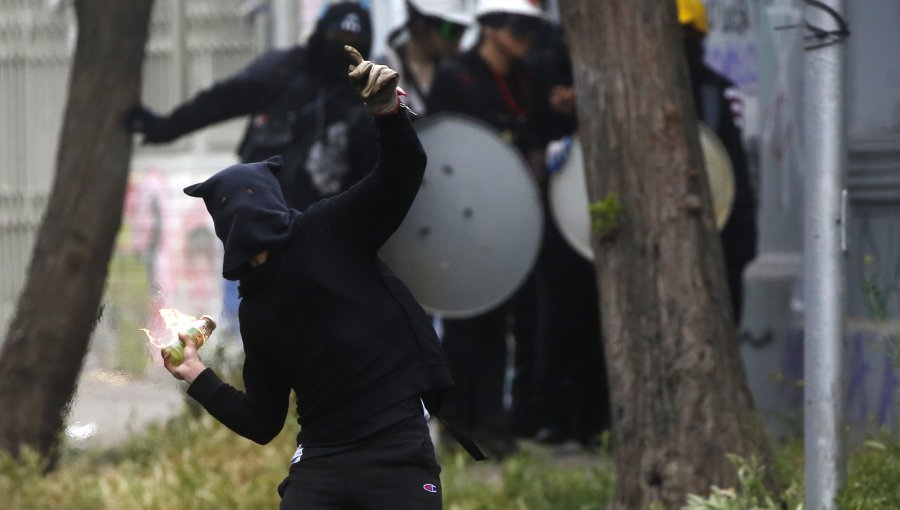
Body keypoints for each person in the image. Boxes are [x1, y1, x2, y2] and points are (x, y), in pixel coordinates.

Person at [162, 46, 455, 510]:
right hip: (321, 457)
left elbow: (399, 176)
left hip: (395, 446)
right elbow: (262, 421)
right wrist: (196, 375)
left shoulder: (326, 229)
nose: (259, 256)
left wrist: (388, 114)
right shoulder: (256, 308)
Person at [426, 0, 552, 458]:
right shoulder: (456, 77)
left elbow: (533, 138)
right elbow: (444, 150)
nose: (526, 38)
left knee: (501, 325)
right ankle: (461, 423)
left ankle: (493, 421)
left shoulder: (525, 78)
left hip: (510, 219)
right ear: (490, 27)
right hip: (463, 222)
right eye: (518, 27)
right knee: (465, 327)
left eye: (531, 29)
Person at [129, 2, 378, 212]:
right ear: (321, 35)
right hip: (263, 218)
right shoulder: (284, 71)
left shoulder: (370, 99)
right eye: (338, 38)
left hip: (328, 231)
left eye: (355, 42)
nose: (345, 49)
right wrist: (165, 128)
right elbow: (221, 101)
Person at [678, 0, 758, 323]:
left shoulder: (718, 93)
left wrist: (741, 246)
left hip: (718, 239)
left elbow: (735, 173)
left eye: (682, 33)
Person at [379, 0, 470, 115]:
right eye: (451, 30)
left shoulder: (457, 71)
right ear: (420, 25)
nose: (457, 42)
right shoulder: (385, 68)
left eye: (462, 30)